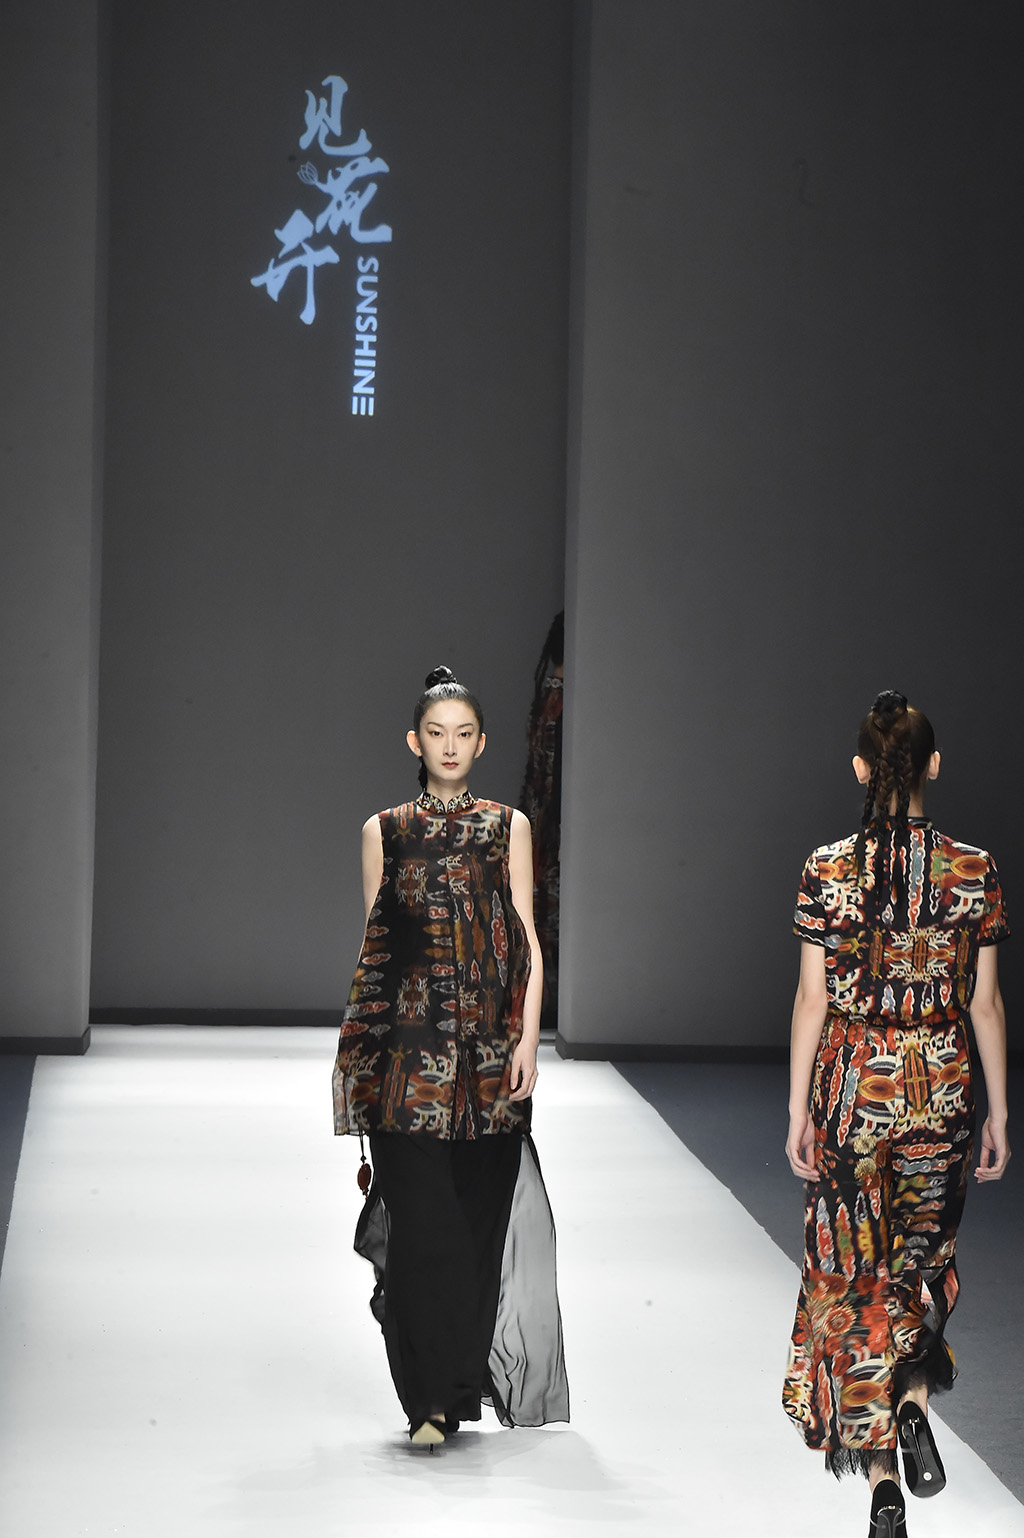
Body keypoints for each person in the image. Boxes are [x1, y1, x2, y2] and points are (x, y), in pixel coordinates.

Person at [782, 691, 1011, 1537]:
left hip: (852, 1088)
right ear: (933, 768)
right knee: (921, 1263)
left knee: (854, 1278)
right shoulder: (975, 869)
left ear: (859, 770)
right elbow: (985, 1005)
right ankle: (911, 1401)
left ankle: (882, 1484)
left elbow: (812, 1000)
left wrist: (799, 1108)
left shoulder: (827, 868)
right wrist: (999, 1111)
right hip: (942, 1085)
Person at [333, 666, 569, 1447]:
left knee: (475, 1228)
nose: (450, 746)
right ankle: (428, 1401)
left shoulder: (507, 828)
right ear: (415, 742)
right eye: (436, 733)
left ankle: (458, 1390)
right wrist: (361, 1060)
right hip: (406, 1059)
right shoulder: (384, 831)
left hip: (489, 1058)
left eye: (463, 734)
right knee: (423, 1230)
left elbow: (527, 939)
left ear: (482, 743)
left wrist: (529, 1037)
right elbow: (376, 950)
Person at [518, 612, 564, 1031]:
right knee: (551, 915)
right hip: (554, 823)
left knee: (540, 912)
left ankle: (545, 1005)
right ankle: (552, 1006)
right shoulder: (566, 700)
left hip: (538, 819)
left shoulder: (545, 695)